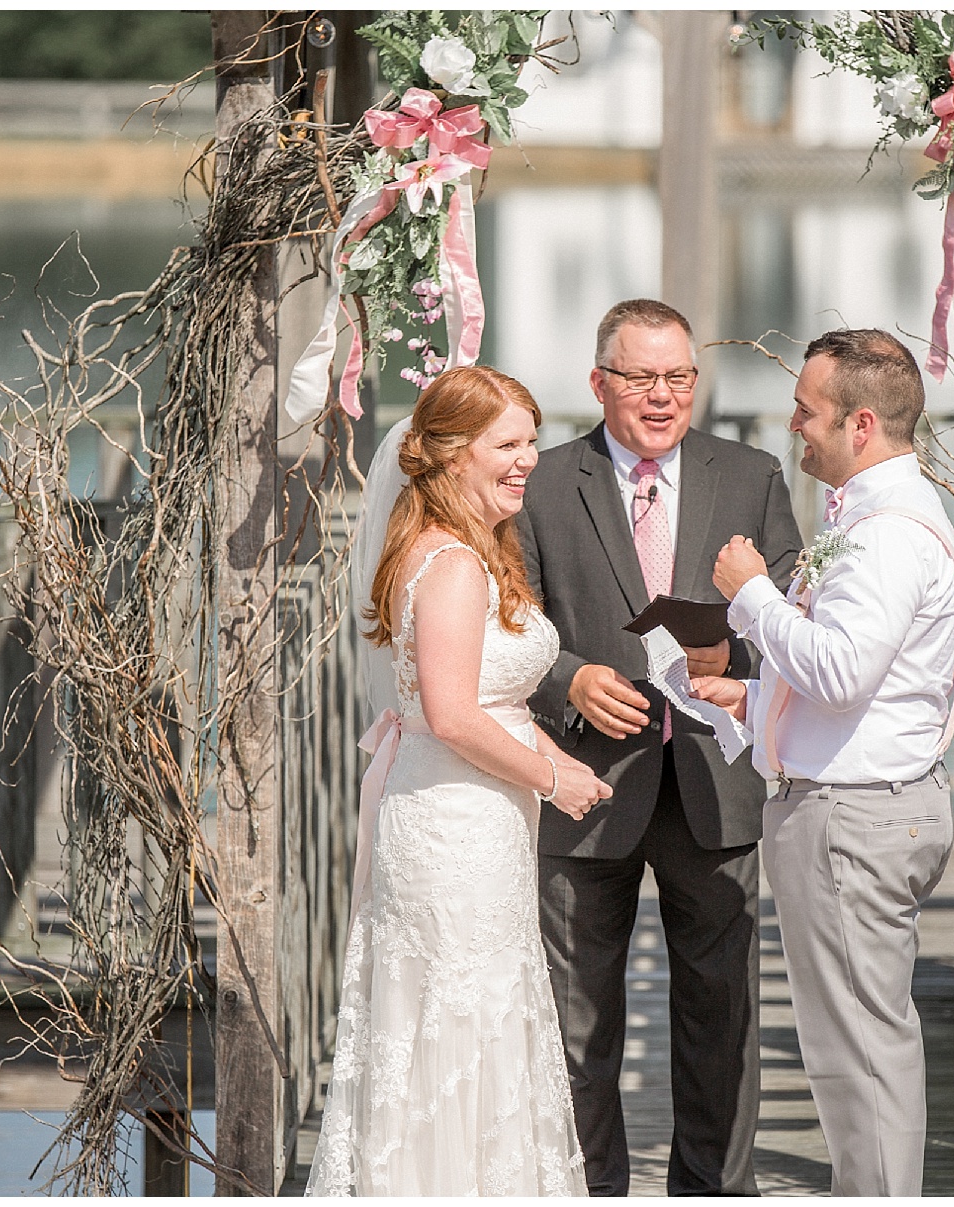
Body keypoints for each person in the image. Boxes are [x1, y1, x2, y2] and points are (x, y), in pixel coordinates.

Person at [517, 299, 802, 1195]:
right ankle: (589, 1189)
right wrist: (567, 678)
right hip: (583, 783)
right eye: (640, 376)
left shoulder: (751, 474)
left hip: (714, 785)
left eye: (678, 376)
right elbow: (506, 616)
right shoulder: (540, 479)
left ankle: (714, 1191)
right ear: (599, 382)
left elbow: (791, 611)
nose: (662, 395)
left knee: (722, 1020)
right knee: (576, 1025)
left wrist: (739, 650)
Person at [307, 365, 613, 1196]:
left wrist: (549, 761)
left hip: (475, 822)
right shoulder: (450, 565)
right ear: (449, 456)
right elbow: (450, 713)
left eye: (532, 442)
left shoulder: (474, 547)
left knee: (475, 1016)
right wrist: (555, 775)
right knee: (459, 1018)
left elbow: (481, 700)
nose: (528, 460)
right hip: (453, 831)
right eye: (506, 445)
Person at [691, 328, 954, 1196]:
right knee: (854, 1044)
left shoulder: (886, 535)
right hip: (866, 807)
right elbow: (852, 674)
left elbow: (844, 673)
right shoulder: (882, 513)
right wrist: (758, 694)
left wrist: (753, 597)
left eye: (806, 412)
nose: (792, 424)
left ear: (859, 425)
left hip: (853, 822)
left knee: (860, 1054)